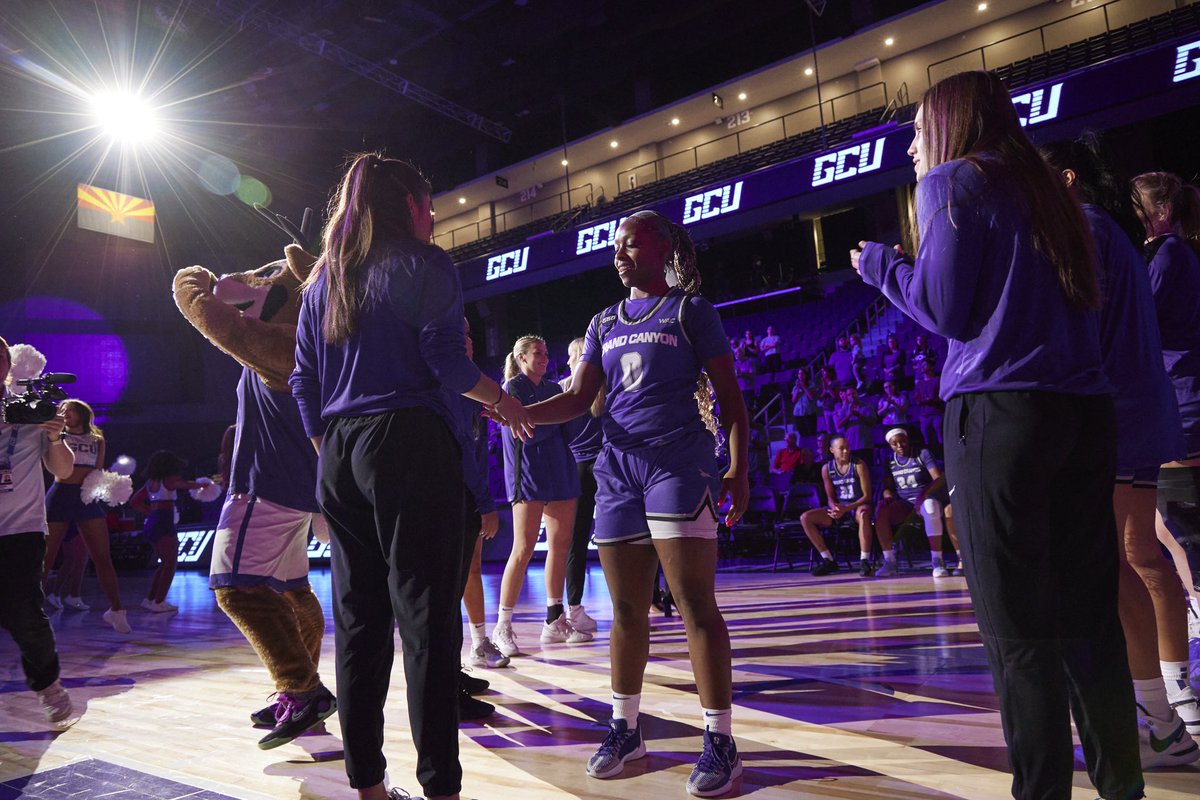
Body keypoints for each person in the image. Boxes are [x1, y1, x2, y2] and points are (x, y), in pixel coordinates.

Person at [852, 71, 1142, 800]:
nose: (912, 149)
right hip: (1084, 416)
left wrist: (882, 266)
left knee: (1019, 635)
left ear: (950, 123)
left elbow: (944, 310)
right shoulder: (1052, 192)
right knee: (1090, 621)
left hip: (1000, 415)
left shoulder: (952, 182)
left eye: (916, 132)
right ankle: (1123, 789)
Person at [290, 152, 530, 800]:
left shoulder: (324, 278)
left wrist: (330, 446)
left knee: (360, 623)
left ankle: (368, 787)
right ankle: (440, 790)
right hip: (409, 444)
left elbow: (302, 380)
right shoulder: (424, 263)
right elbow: (447, 361)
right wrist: (503, 401)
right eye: (430, 207)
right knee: (428, 625)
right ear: (410, 205)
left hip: (339, 452)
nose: (433, 219)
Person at [502, 210, 750, 797]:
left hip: (678, 463)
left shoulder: (691, 311)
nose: (619, 254)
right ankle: (625, 729)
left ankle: (721, 740)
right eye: (616, 245)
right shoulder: (603, 321)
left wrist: (738, 469)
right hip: (617, 471)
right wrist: (522, 412)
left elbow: (731, 399)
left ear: (663, 248)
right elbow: (578, 397)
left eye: (632, 244)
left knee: (694, 603)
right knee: (625, 609)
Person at [1043, 137, 1197, 766]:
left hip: (1122, 414)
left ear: (1067, 179)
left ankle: (1162, 715)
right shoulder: (1119, 234)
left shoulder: (1088, 228)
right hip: (1142, 409)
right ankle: (1168, 707)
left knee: (1120, 563)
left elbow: (1081, 327)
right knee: (1137, 557)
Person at [1131, 168, 1200, 738]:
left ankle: (1195, 603)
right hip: (1179, 397)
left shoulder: (1170, 254)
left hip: (1183, 402)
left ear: (1158, 212)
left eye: (1136, 206)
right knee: (1159, 528)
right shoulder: (1172, 253)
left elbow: (1141, 323)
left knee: (1175, 530)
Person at [494, 335, 589, 657]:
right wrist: (556, 418)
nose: (545, 358)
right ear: (521, 357)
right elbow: (527, 432)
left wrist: (558, 416)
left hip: (560, 472)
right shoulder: (511, 389)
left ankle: (554, 619)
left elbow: (570, 429)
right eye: (538, 353)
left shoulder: (553, 389)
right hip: (529, 475)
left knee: (560, 547)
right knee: (522, 549)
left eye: (547, 353)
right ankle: (502, 626)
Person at [0, 336, 77, 727]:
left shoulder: (31, 411)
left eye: (0, 356)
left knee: (25, 614)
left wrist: (54, 435)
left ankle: (49, 687)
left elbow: (63, 471)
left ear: (9, 364)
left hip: (21, 528)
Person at [452, 320, 504, 722]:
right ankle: (447, 681)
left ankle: (466, 658)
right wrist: (485, 502)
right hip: (454, 497)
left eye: (471, 335)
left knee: (466, 574)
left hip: (468, 496)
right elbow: (461, 453)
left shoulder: (472, 390)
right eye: (461, 334)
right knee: (446, 587)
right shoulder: (448, 386)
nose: (468, 341)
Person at [41, 399, 128, 630]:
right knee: (46, 558)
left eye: (70, 410)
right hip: (60, 495)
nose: (65, 413)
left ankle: (117, 610)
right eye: (62, 410)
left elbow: (98, 470)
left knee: (102, 556)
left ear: (82, 413)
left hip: (84, 497)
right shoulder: (56, 436)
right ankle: (32, 609)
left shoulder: (97, 439)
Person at [130, 450, 207, 621]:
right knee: (171, 564)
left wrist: (151, 512)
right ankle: (159, 601)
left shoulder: (150, 482)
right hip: (164, 522)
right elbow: (185, 485)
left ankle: (150, 599)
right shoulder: (169, 480)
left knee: (164, 564)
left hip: (153, 522)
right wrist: (203, 485)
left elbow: (135, 501)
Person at [875, 429, 961, 578]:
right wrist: (887, 495)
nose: (900, 446)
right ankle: (889, 561)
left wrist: (923, 495)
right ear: (890, 445)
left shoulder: (922, 454)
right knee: (881, 510)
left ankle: (937, 560)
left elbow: (938, 480)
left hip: (927, 498)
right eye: (895, 444)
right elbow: (888, 487)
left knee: (930, 506)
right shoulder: (889, 460)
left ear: (908, 440)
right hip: (905, 504)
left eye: (902, 441)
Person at [561, 336, 602, 636]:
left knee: (575, 542)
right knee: (628, 536)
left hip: (576, 470)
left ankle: (574, 608)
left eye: (569, 355)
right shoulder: (604, 385)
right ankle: (644, 598)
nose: (566, 361)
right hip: (605, 465)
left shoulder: (563, 389)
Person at [800, 435, 884, 577]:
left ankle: (864, 560)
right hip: (841, 509)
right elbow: (830, 497)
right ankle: (828, 560)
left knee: (864, 513)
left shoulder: (858, 465)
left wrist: (846, 509)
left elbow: (867, 497)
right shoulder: (826, 469)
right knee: (805, 517)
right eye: (841, 448)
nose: (846, 451)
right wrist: (834, 508)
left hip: (857, 506)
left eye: (847, 448)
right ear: (832, 450)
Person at [833, 386, 874, 462]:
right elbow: (838, 425)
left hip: (865, 444)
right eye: (849, 395)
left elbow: (872, 421)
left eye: (853, 393)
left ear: (857, 394)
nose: (852, 396)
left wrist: (859, 415)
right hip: (851, 445)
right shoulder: (844, 409)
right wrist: (849, 415)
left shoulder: (867, 406)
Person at [911, 359, 944, 449]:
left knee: (940, 436)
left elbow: (942, 396)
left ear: (931, 367)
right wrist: (921, 401)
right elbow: (917, 399)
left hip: (937, 413)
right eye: (921, 365)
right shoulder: (919, 383)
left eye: (925, 365)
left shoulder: (937, 380)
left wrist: (932, 399)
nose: (922, 367)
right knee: (927, 438)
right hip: (924, 414)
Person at [789, 369, 817, 435]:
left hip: (809, 413)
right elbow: (793, 400)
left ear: (806, 375)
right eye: (799, 374)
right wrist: (798, 388)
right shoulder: (795, 387)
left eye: (802, 373)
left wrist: (803, 386)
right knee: (802, 434)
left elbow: (812, 397)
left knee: (811, 433)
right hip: (798, 414)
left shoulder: (811, 385)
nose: (800, 375)